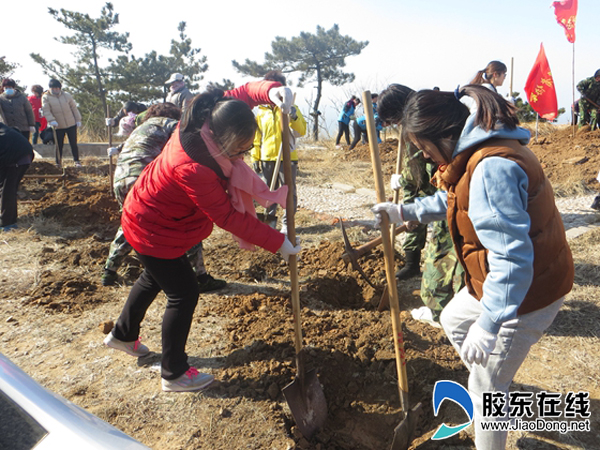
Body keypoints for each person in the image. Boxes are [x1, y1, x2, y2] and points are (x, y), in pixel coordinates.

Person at [372, 85, 574, 449]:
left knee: (484, 386)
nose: (425, 156)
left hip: (528, 293)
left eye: (424, 148)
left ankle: (491, 400)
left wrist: (491, 321)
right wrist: (405, 212)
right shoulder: (475, 153)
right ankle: (496, 386)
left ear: (444, 136)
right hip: (506, 281)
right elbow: (456, 198)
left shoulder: (490, 168)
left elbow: (513, 259)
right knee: (452, 318)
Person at [104, 88, 299, 392]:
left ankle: (123, 335)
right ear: (222, 141)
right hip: (153, 226)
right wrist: (278, 243)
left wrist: (269, 91)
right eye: (239, 150)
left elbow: (241, 95)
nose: (243, 157)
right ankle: (174, 373)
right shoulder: (194, 167)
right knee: (184, 292)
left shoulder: (204, 119)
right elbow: (229, 218)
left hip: (148, 217)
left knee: (153, 277)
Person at [102, 102, 226, 293]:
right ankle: (200, 276)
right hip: (146, 182)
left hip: (120, 180)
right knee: (187, 220)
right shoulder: (172, 125)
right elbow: (187, 148)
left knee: (131, 223)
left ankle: (109, 271)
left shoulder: (142, 128)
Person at [377, 83, 464, 327]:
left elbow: (424, 174)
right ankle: (446, 309)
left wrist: (410, 201)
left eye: (393, 120)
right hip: (441, 199)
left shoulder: (422, 128)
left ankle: (443, 312)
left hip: (444, 200)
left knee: (445, 261)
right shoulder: (420, 121)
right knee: (448, 260)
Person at [251, 99, 306, 231]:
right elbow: (257, 137)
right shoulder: (262, 111)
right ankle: (269, 221)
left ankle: (288, 223)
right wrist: (255, 156)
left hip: (287, 156)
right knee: (269, 191)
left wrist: (294, 117)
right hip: (267, 157)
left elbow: (302, 131)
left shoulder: (292, 108)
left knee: (289, 191)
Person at [42, 79, 83, 167]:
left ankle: (77, 161)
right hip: (57, 125)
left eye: (57, 88)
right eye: (53, 88)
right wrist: (51, 120)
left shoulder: (67, 95)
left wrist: (78, 119)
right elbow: (46, 110)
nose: (55, 90)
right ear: (50, 88)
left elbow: (74, 108)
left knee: (73, 143)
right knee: (59, 144)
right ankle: (58, 162)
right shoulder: (46, 97)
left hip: (71, 123)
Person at [0, 123, 34, 231]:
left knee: (7, 190)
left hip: (15, 157)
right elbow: (15, 130)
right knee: (9, 189)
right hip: (23, 154)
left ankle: (7, 224)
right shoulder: (4, 129)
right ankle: (10, 220)